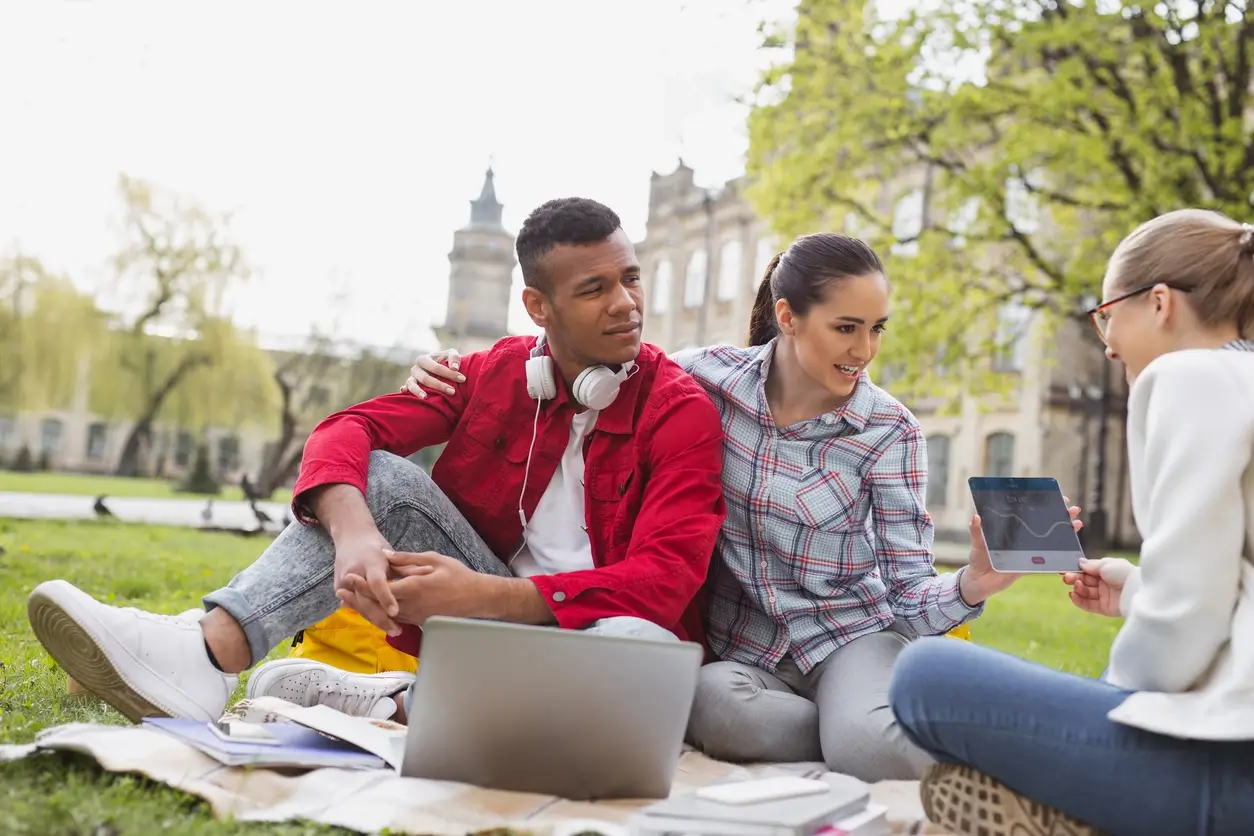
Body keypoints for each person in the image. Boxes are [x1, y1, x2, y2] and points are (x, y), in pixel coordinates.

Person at [388, 232, 1080, 782]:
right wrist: (455, 367)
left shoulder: (888, 430)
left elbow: (903, 592)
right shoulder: (704, 379)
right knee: (708, 709)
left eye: (877, 329)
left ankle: (918, 735)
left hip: (851, 638)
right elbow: (579, 359)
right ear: (787, 316)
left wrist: (974, 583)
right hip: (744, 654)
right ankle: (857, 726)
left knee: (870, 751)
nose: (864, 351)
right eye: (846, 328)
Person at [25, 197, 726, 725]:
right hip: (481, 623)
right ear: (537, 306)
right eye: (594, 289)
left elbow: (663, 582)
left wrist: (490, 596)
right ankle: (209, 652)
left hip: (599, 633)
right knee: (382, 480)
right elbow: (347, 429)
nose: (627, 303)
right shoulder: (494, 374)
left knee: (629, 655)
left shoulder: (678, 410)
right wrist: (355, 529)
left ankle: (392, 702)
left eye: (629, 278)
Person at [888, 209, 1254, 836]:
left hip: (1228, 776)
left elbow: (1188, 619)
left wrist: (1107, 703)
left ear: (1160, 302)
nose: (1105, 342)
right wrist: (1138, 594)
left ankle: (1093, 810)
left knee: (923, 674)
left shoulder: (1185, 376)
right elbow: (1221, 594)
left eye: (1107, 314)